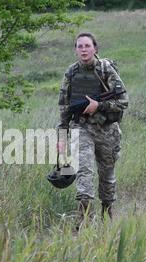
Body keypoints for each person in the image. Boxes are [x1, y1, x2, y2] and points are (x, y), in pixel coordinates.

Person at [56, 32, 129, 225]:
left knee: (107, 177)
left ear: (95, 48)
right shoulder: (71, 73)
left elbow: (123, 101)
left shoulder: (106, 70)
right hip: (82, 129)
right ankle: (84, 222)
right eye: (79, 46)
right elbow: (64, 108)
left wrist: (99, 106)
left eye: (87, 46)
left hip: (107, 130)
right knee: (84, 172)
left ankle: (107, 214)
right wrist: (62, 138)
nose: (83, 49)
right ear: (76, 50)